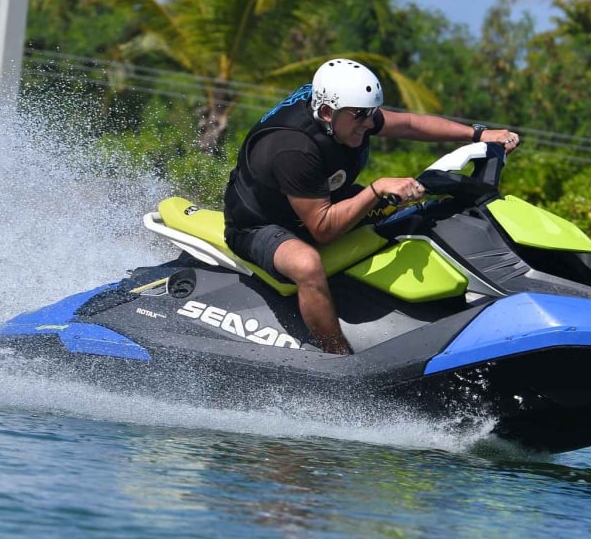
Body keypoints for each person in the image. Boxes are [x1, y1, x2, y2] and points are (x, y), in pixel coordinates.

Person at [222, 58, 520, 355]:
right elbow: (323, 229)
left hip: (315, 200)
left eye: (372, 114)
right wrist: (377, 189)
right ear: (326, 112)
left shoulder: (344, 111)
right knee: (307, 266)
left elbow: (410, 125)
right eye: (362, 116)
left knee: (411, 215)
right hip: (259, 224)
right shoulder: (293, 149)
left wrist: (479, 134)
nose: (370, 122)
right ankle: (336, 359)